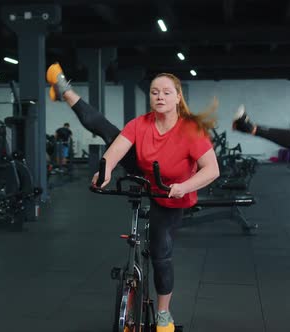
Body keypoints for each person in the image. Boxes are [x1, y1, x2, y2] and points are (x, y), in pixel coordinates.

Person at [48, 63, 220, 332]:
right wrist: (104, 171)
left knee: (161, 253)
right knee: (105, 129)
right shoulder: (140, 124)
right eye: (154, 92)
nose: (159, 97)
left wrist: (185, 186)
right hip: (145, 175)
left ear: (177, 98)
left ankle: (163, 314)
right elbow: (116, 149)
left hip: (172, 197)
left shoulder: (190, 130)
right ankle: (65, 89)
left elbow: (212, 170)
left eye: (166, 92)